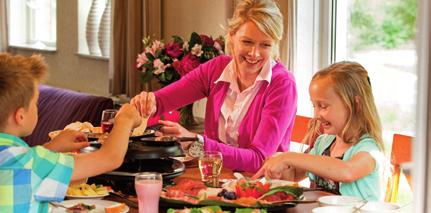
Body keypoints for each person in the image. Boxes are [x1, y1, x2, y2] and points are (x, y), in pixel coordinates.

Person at [131, 0, 297, 172]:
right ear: (232, 36)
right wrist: (147, 101)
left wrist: (198, 142)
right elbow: (161, 101)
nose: (254, 53)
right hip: (215, 177)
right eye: (247, 42)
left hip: (261, 188)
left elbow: (259, 160)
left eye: (265, 45)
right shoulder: (216, 68)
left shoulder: (282, 85)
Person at [0, 53, 141, 212]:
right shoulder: (31, 162)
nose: (37, 108)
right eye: (35, 103)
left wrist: (50, 148)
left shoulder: (23, 159)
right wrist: (125, 119)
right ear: (20, 116)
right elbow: (110, 158)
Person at [253, 61, 386, 201]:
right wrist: (279, 169)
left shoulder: (369, 150)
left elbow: (346, 171)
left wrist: (288, 157)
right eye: (314, 106)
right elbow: (294, 176)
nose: (316, 115)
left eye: (323, 106)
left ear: (355, 105)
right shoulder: (323, 143)